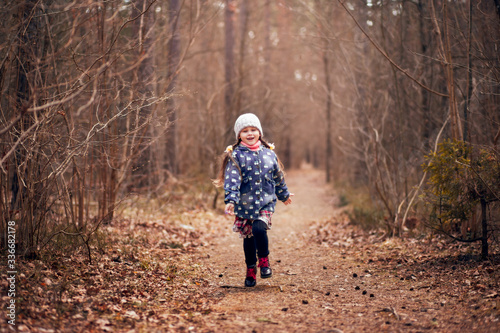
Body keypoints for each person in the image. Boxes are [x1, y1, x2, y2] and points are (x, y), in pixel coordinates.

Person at [214, 113, 293, 287]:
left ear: (259, 132)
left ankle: (264, 261)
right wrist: (231, 201)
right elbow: (232, 181)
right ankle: (250, 270)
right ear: (239, 135)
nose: (250, 133)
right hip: (244, 205)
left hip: (265, 203)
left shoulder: (269, 154)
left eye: (253, 129)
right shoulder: (236, 156)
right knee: (248, 239)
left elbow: (277, 177)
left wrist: (284, 195)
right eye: (245, 131)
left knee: (258, 228)